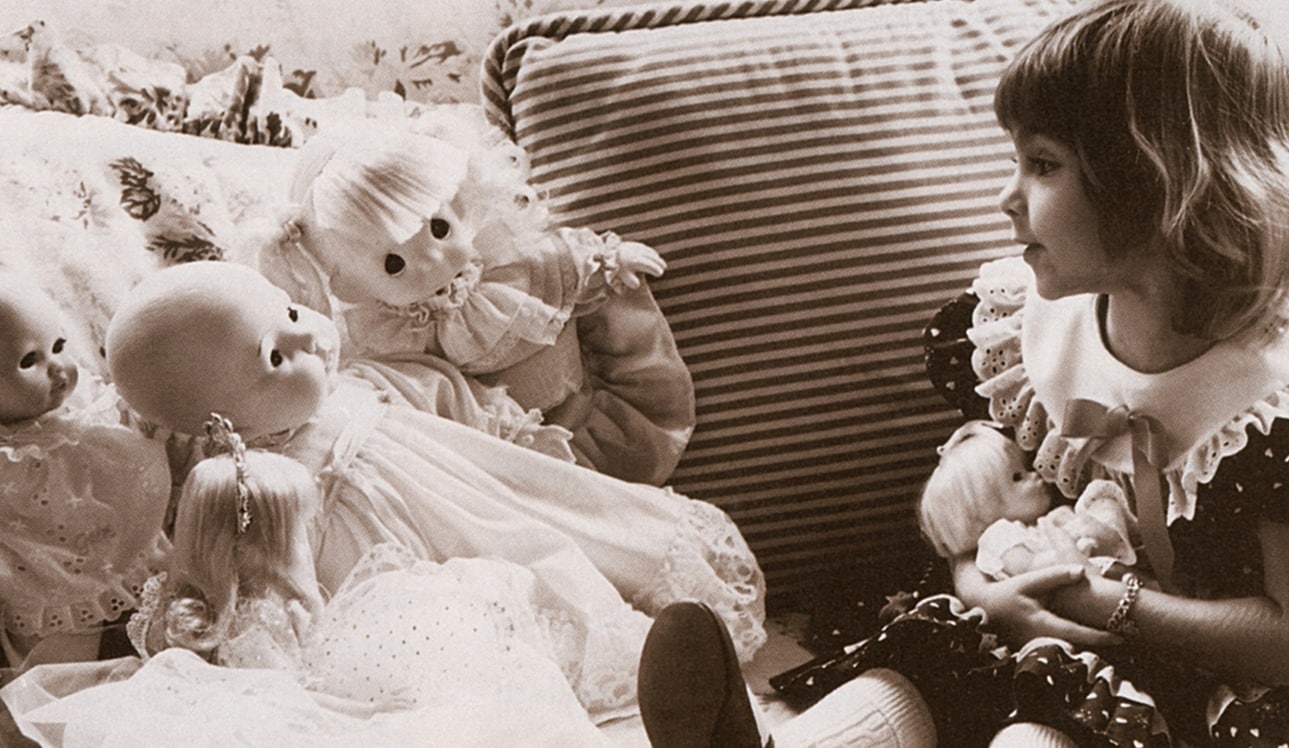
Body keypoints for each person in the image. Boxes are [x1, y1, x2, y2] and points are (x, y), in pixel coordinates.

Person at [638, 1, 1289, 745]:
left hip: (1225, 677)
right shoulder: (1038, 335)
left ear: (1158, 189)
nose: (1005, 196)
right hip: (1058, 614)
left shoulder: (1274, 405)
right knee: (932, 657)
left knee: (1047, 727)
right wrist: (984, 586)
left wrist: (1112, 606)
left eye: (1043, 165)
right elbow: (1007, 506)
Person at [99, 260, 767, 660]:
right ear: (222, 422)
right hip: (408, 587)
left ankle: (669, 635)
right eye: (276, 356)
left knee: (574, 540)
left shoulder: (358, 385)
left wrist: (515, 431)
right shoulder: (261, 487)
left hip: (488, 502)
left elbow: (450, 406)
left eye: (293, 310)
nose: (309, 337)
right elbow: (268, 583)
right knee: (506, 625)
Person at [3, 427, 629, 745]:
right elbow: (286, 691)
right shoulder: (262, 615)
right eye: (305, 529)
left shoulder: (199, 607)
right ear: (272, 542)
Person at [262, 115, 696, 485]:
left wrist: (609, 262)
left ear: (458, 204)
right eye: (393, 264)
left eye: (439, 229)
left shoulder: (508, 265)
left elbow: (562, 265)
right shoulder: (379, 335)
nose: (432, 260)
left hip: (587, 422)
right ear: (349, 287)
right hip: (499, 466)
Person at [0, 279, 170, 673]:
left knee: (155, 633)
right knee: (60, 672)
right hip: (44, 584)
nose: (58, 368)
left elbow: (131, 449)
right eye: (30, 361)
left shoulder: (88, 405)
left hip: (123, 551)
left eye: (59, 346)